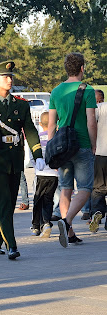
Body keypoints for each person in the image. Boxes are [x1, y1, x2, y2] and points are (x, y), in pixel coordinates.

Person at [0, 60, 45, 259]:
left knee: (8, 204)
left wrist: (38, 154)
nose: (9, 79)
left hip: (15, 158)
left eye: (11, 76)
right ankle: (11, 245)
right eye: (5, 77)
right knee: (3, 203)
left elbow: (30, 131)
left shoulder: (21, 105)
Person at [48, 52, 97, 248]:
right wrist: (94, 144)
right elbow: (91, 122)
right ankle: (66, 222)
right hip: (82, 144)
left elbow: (51, 124)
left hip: (62, 147)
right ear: (82, 68)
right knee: (85, 189)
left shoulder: (56, 91)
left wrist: (51, 150)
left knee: (65, 189)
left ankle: (69, 233)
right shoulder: (88, 90)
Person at [30, 112, 58, 237]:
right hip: (54, 175)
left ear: (40, 124)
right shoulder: (56, 138)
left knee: (37, 199)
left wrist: (37, 166)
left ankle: (36, 226)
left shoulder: (37, 139)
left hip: (40, 174)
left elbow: (32, 157)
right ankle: (46, 222)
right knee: (48, 199)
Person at [89, 90, 107, 232]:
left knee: (98, 188)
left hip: (100, 153)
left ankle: (96, 212)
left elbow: (91, 126)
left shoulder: (98, 109)